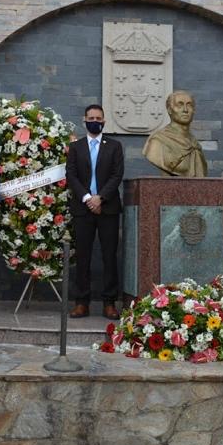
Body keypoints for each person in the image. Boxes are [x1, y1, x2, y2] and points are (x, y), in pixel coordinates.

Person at [66, 104, 125, 320]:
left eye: (98, 118)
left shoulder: (115, 146)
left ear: (104, 121)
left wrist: (100, 198)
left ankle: (109, 303)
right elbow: (71, 175)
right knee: (83, 256)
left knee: (109, 256)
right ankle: (82, 302)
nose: (95, 121)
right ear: (84, 120)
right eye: (91, 117)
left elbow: (117, 175)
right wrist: (87, 198)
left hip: (107, 208)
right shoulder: (76, 147)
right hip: (82, 209)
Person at [142, 90, 208, 177]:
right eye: (179, 105)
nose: (185, 110)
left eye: (189, 105)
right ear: (170, 110)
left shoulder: (195, 144)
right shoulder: (158, 140)